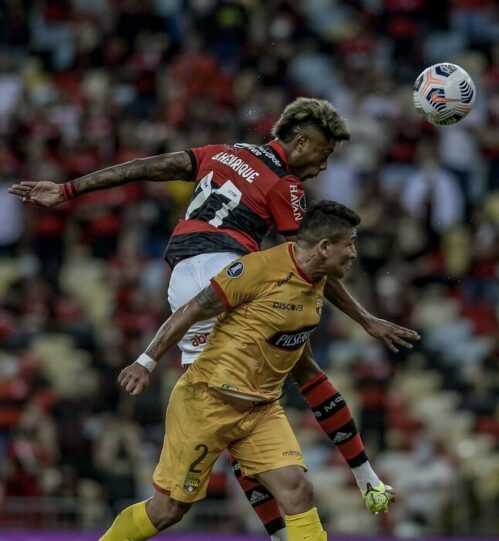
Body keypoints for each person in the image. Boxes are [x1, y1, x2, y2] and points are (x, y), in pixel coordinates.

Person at [10, 97, 416, 535]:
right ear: (301, 142)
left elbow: (149, 166)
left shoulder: (227, 152)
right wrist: (365, 319)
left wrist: (70, 189)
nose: (323, 164)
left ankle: (295, 518)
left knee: (264, 380)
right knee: (282, 370)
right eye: (325, 152)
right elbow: (312, 262)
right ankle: (345, 488)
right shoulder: (287, 186)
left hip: (183, 274)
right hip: (225, 273)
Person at [101, 200, 377, 541]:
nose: (353, 253)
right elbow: (192, 309)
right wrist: (146, 361)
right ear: (323, 247)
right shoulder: (257, 269)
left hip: (261, 409)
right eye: (349, 243)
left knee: (298, 491)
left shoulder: (316, 280)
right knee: (168, 510)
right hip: (206, 401)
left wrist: (367, 321)